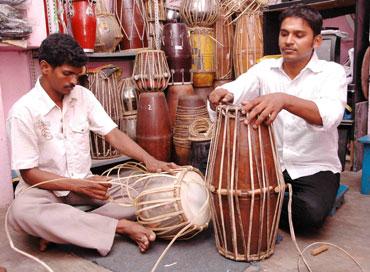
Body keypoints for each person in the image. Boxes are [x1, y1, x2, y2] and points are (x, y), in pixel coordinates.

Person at [6, 33, 178, 255]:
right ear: (45, 67)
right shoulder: (23, 112)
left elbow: (113, 134)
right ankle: (117, 226)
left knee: (147, 191)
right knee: (21, 213)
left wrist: (150, 161)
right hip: (45, 192)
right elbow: (29, 174)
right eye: (67, 74)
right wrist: (77, 185)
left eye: (77, 75)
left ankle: (66, 228)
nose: (73, 81)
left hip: (86, 187)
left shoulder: (82, 96)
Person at [208, 4, 347, 232]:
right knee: (216, 183)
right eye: (284, 34)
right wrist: (222, 95)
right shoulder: (264, 69)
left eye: (299, 35)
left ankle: (257, 205)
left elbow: (329, 116)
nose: (288, 41)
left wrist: (285, 99)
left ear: (316, 41)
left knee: (309, 215)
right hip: (269, 165)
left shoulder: (332, 73)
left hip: (313, 168)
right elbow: (236, 90)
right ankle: (260, 203)